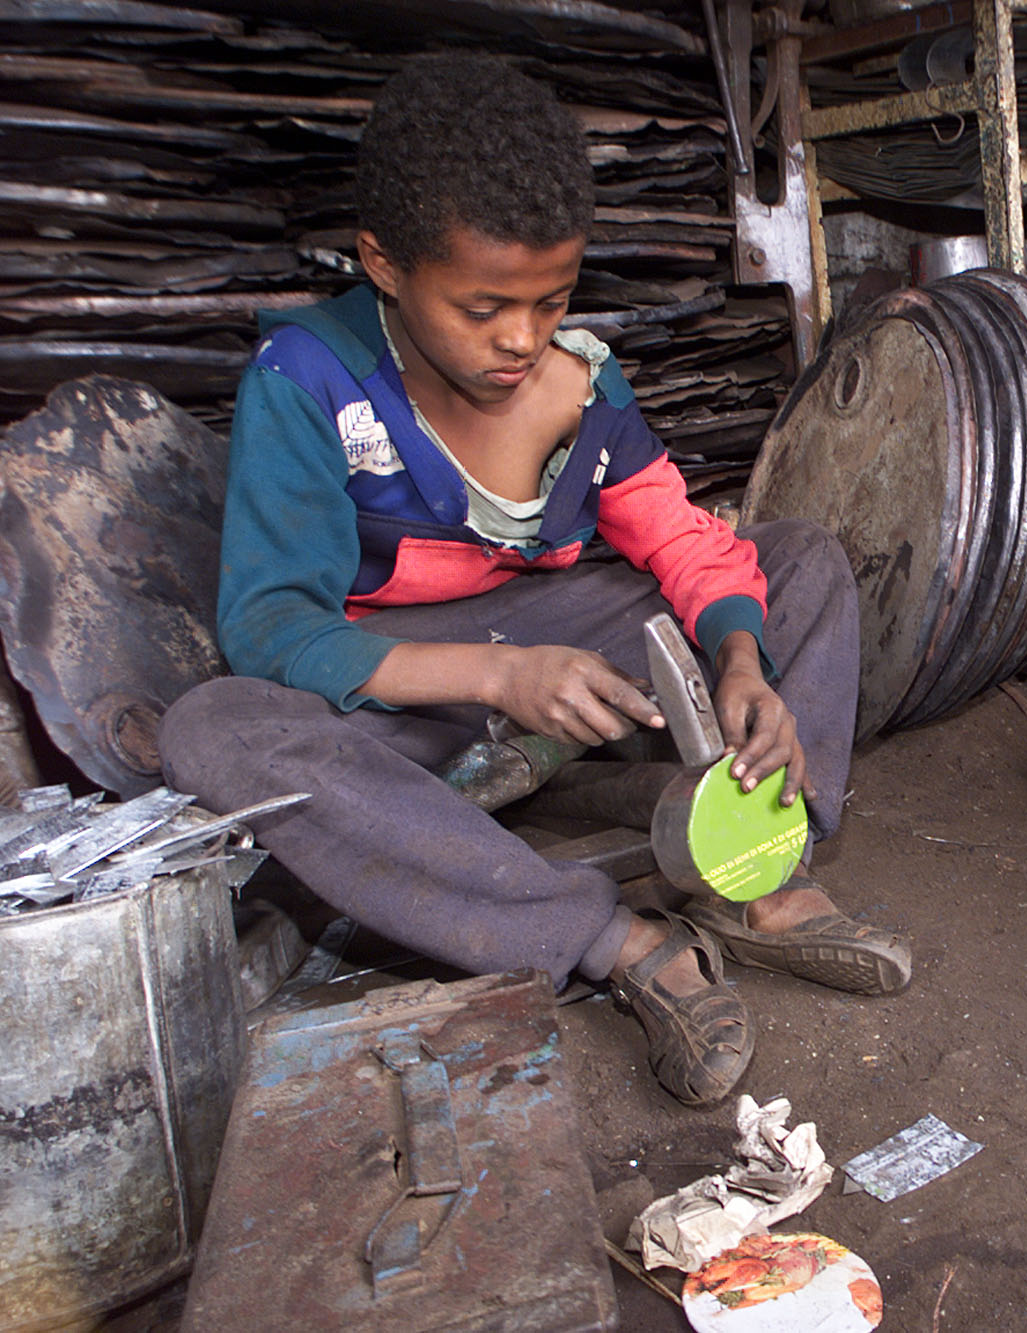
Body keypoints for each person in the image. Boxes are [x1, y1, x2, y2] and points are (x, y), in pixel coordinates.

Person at [159, 53, 911, 1109]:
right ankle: (612, 937)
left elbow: (681, 537)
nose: (519, 339)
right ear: (383, 262)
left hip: (561, 644)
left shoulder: (583, 384)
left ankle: (750, 871)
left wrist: (741, 658)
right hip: (404, 689)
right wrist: (495, 677)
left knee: (798, 564)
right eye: (480, 307)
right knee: (214, 729)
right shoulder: (308, 382)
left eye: (548, 300)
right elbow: (274, 627)